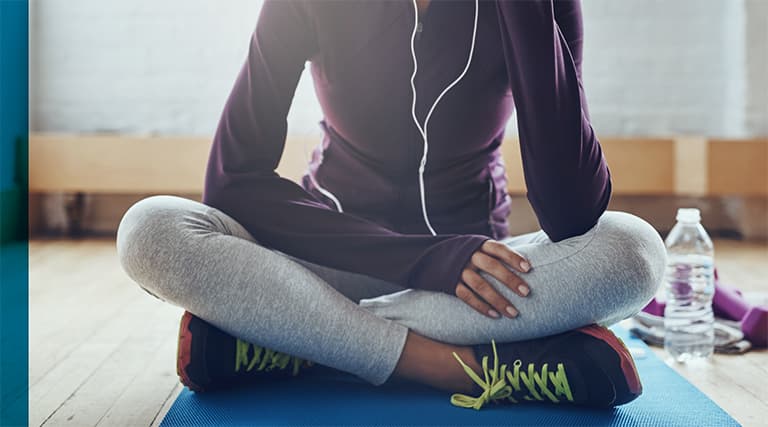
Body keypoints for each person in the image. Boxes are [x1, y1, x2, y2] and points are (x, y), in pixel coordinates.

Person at [116, 0, 667, 409]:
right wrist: (423, 259)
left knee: (634, 252)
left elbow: (573, 212)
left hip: (475, 285)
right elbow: (232, 181)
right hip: (331, 262)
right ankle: (446, 366)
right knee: (151, 228)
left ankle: (303, 340)